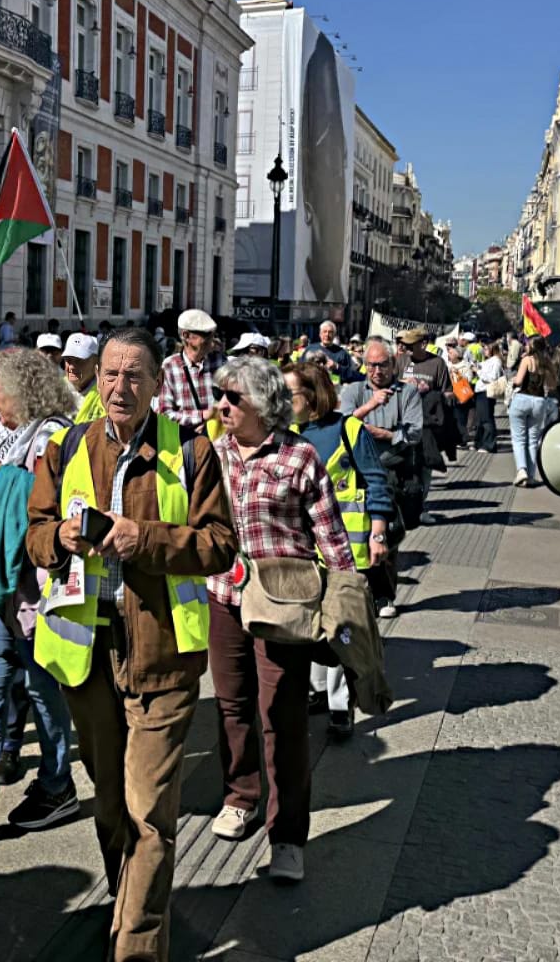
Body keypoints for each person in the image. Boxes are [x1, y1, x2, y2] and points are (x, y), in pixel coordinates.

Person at [25, 328, 235, 961]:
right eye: (111, 374)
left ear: (157, 383)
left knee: (149, 815)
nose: (120, 386)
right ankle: (128, 905)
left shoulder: (191, 450)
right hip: (85, 655)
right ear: (97, 379)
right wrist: (59, 538)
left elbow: (220, 545)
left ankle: (136, 949)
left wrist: (142, 539)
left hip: (161, 655)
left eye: (134, 375)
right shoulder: (67, 446)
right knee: (111, 806)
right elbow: (34, 534)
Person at [207, 356, 352, 881]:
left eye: (233, 398)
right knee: (231, 705)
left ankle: (288, 834)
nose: (222, 406)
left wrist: (346, 609)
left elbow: (332, 539)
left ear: (264, 405)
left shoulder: (299, 457)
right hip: (225, 596)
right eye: (220, 395)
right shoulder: (213, 453)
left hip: (284, 604)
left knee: (283, 719)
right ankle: (240, 797)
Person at [0, 349, 79, 844]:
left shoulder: (53, 436)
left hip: (32, 591)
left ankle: (56, 784)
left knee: (43, 691)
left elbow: (55, 503)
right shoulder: (6, 431)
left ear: (24, 393)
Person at [288, 361, 396, 735]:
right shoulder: (287, 433)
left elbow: (376, 481)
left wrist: (378, 532)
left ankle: (340, 706)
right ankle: (318, 692)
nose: (282, 400)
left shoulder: (349, 429)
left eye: (289, 393)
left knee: (342, 629)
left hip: (348, 552)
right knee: (311, 625)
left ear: (312, 395)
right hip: (303, 553)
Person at [399, 327, 452, 524]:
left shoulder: (437, 363)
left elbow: (448, 393)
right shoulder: (401, 361)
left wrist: (431, 392)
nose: (406, 348)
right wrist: (404, 382)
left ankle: (421, 508)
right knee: (404, 467)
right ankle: (405, 509)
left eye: (410, 344)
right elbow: (388, 385)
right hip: (403, 423)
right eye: (405, 345)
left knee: (425, 468)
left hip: (427, 426)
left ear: (423, 344)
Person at [157, 308, 223, 436]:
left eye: (213, 334)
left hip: (218, 441)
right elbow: (164, 414)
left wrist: (209, 423)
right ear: (186, 336)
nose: (212, 339)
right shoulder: (169, 366)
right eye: (206, 334)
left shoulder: (221, 361)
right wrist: (201, 416)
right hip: (184, 442)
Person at [508, 335, 560, 488]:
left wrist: (512, 381)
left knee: (518, 439)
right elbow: (553, 385)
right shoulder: (546, 363)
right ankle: (530, 476)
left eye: (527, 344)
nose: (525, 346)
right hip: (539, 402)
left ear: (532, 346)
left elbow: (518, 381)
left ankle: (521, 470)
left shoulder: (527, 360)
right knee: (533, 440)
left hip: (522, 399)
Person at [64, 332, 103, 423]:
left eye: (79, 361)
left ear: (96, 362)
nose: (72, 367)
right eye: (68, 360)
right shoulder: (55, 389)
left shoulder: (104, 393)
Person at [472, 341, 504, 453]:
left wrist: (478, 371)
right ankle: (479, 443)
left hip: (487, 391)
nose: (484, 351)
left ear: (492, 349)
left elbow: (492, 377)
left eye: (486, 349)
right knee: (480, 419)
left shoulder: (496, 361)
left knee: (487, 418)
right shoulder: (489, 360)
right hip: (480, 391)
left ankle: (489, 445)